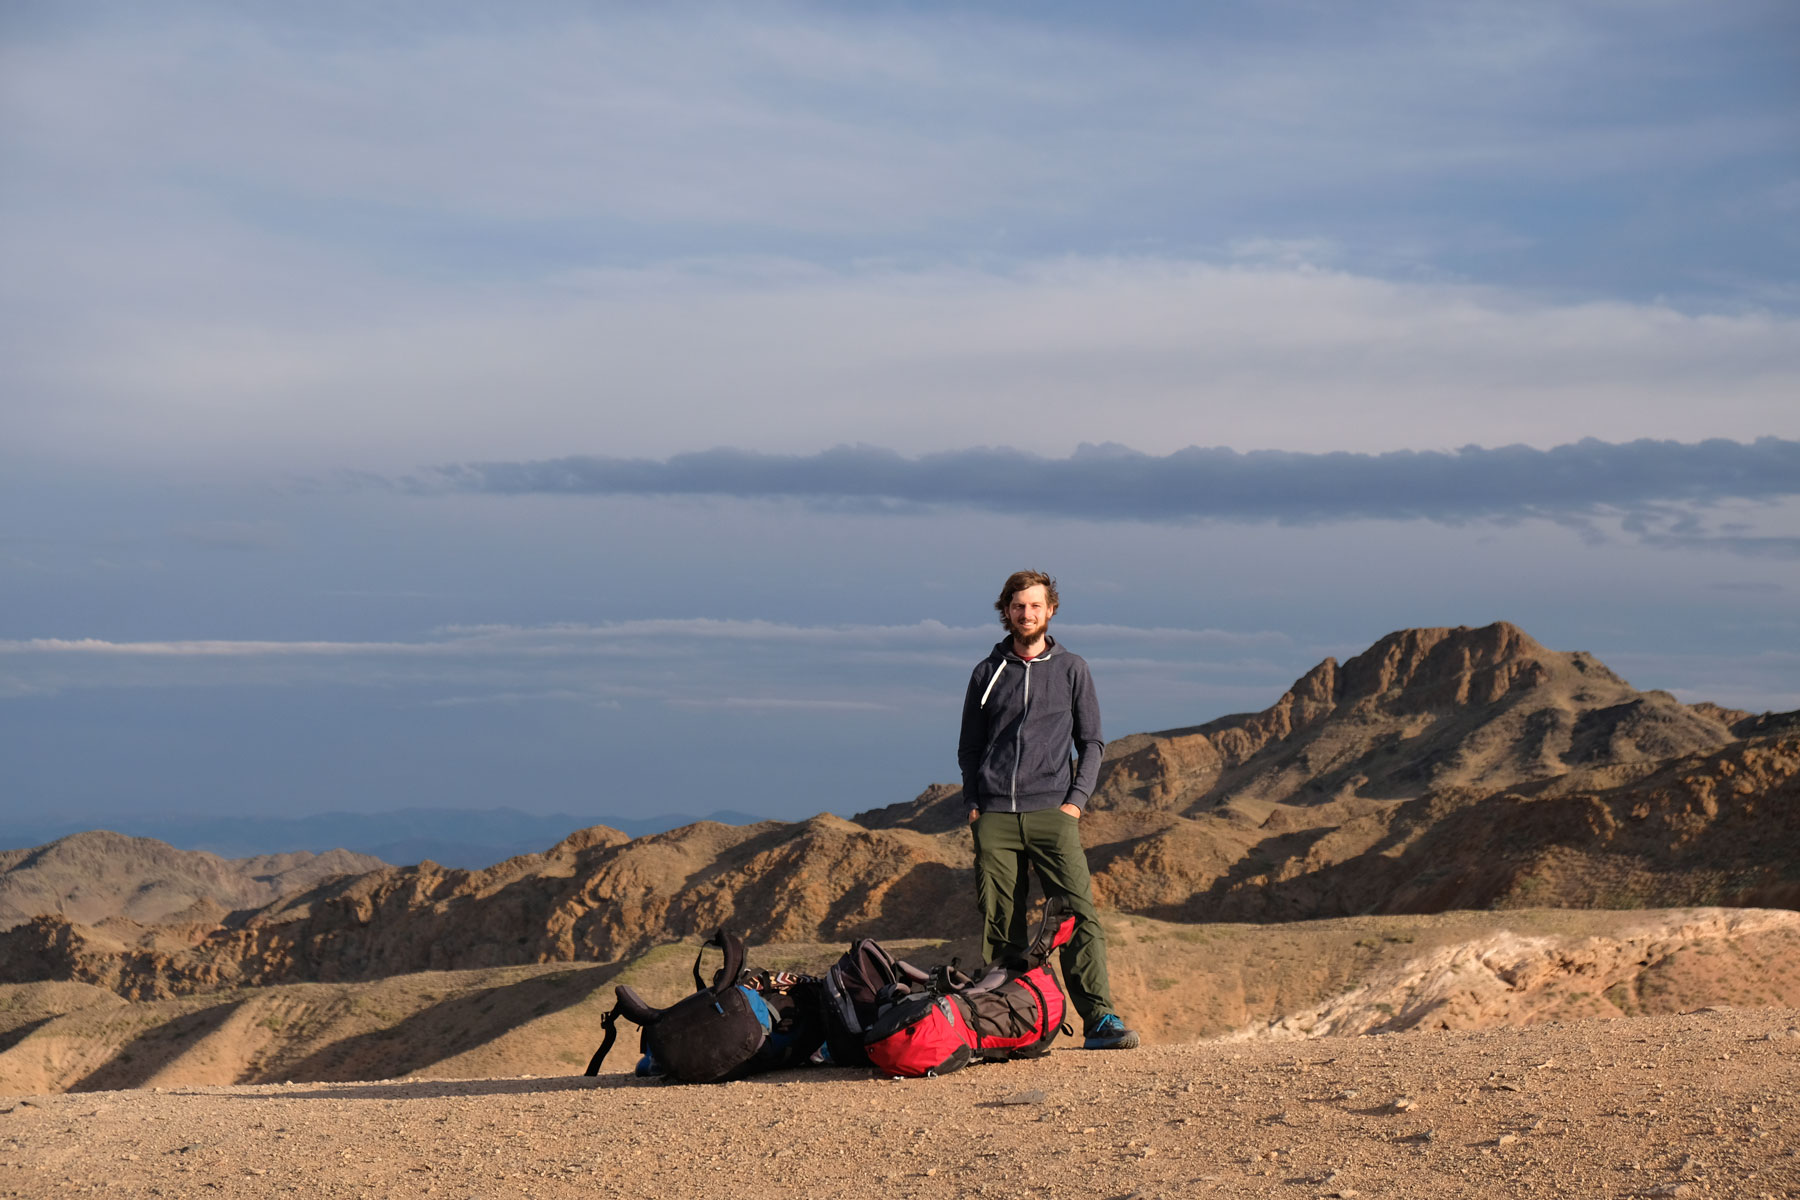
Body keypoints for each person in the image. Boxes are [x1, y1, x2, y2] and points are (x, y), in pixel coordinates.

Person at [956, 570, 1138, 1050]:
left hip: (1053, 815)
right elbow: (969, 748)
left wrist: (1074, 804)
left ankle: (1099, 1019)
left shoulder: (1073, 668)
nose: (1026, 614)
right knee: (1001, 921)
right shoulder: (985, 672)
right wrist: (975, 804)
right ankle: (1009, 1024)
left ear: (1050, 610)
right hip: (995, 817)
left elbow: (1092, 741)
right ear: (1007, 612)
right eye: (1018, 606)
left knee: (1078, 914)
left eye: (1035, 606)